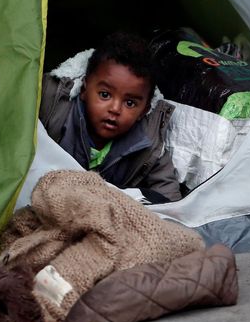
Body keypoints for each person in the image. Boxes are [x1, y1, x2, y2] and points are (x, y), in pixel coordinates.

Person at [39, 32, 181, 203]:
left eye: (130, 103)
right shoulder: (52, 104)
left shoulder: (149, 142)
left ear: (144, 110)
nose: (115, 109)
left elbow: (170, 202)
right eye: (105, 95)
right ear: (84, 89)